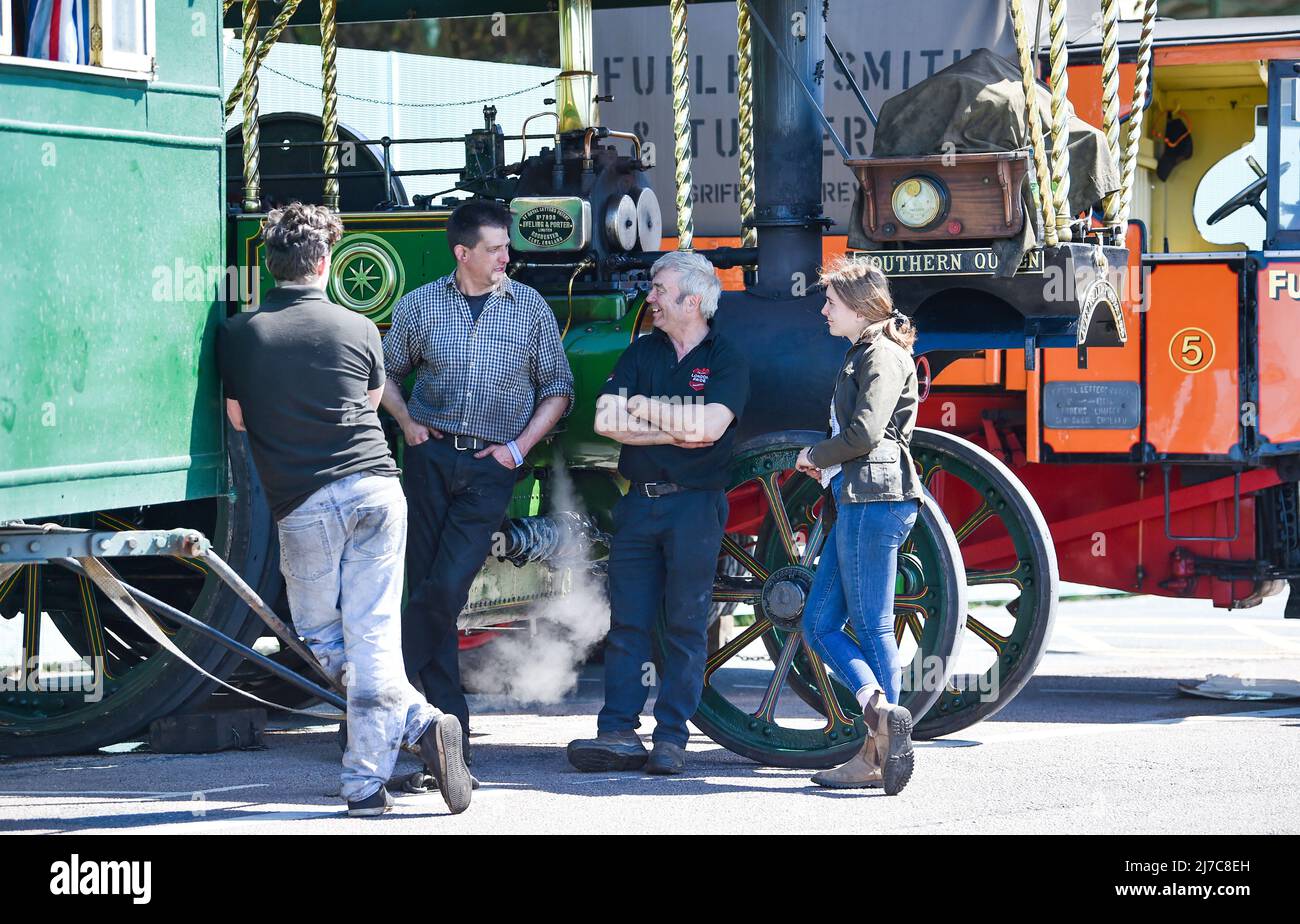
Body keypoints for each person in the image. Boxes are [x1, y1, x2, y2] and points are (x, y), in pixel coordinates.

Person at [218, 202, 472, 818]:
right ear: (326, 263)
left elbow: (238, 418)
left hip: (303, 502)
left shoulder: (239, 333)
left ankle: (367, 781)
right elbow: (369, 399)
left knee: (323, 638)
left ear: (268, 265)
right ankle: (419, 724)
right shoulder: (360, 328)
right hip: (378, 490)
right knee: (375, 639)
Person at [382, 199, 574, 777]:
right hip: (430, 459)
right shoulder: (420, 305)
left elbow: (558, 388)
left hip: (491, 467)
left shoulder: (529, 307)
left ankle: (381, 699)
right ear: (462, 253)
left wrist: (516, 450)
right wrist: (409, 425)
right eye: (494, 248)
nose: (504, 257)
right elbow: (385, 373)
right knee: (428, 584)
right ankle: (447, 733)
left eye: (507, 247)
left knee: (445, 587)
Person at [567, 251, 749, 775]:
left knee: (686, 624)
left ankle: (672, 737)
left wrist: (644, 408)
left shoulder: (727, 357)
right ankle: (618, 732)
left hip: (695, 506)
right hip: (639, 502)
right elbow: (605, 419)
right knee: (627, 623)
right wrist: (677, 426)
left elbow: (711, 429)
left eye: (660, 291)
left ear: (692, 301)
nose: (650, 298)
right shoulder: (642, 351)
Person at [794, 256, 923, 795]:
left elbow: (866, 431)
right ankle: (878, 713)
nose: (824, 310)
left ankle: (877, 753)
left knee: (871, 625)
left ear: (859, 305)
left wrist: (814, 455)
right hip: (863, 497)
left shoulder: (882, 354)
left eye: (831, 302)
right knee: (817, 624)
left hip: (874, 498)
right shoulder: (870, 352)